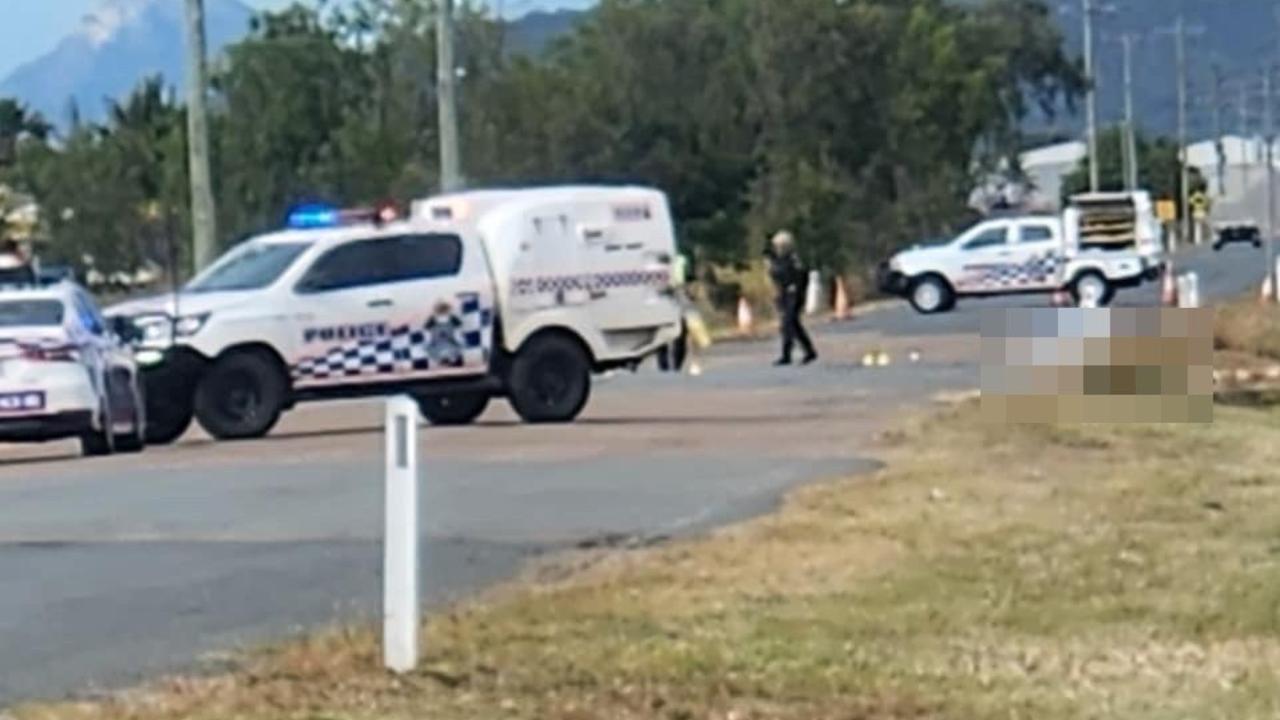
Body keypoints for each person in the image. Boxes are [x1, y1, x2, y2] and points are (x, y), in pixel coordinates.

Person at [764, 230, 817, 366]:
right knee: (792, 325)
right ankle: (808, 351)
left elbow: (802, 276)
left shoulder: (793, 259)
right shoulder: (777, 260)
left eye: (780, 246)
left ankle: (787, 354)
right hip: (784, 295)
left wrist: (796, 287)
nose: (778, 248)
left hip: (794, 295)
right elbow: (775, 277)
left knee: (789, 323)